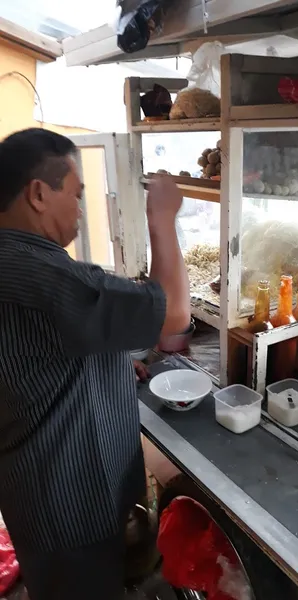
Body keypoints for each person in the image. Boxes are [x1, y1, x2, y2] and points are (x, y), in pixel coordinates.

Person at [0, 128, 190, 600]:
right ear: (39, 194)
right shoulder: (46, 273)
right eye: (77, 195)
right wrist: (162, 217)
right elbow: (175, 314)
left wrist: (103, 365)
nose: (81, 211)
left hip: (34, 500)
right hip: (72, 509)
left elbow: (28, 351)